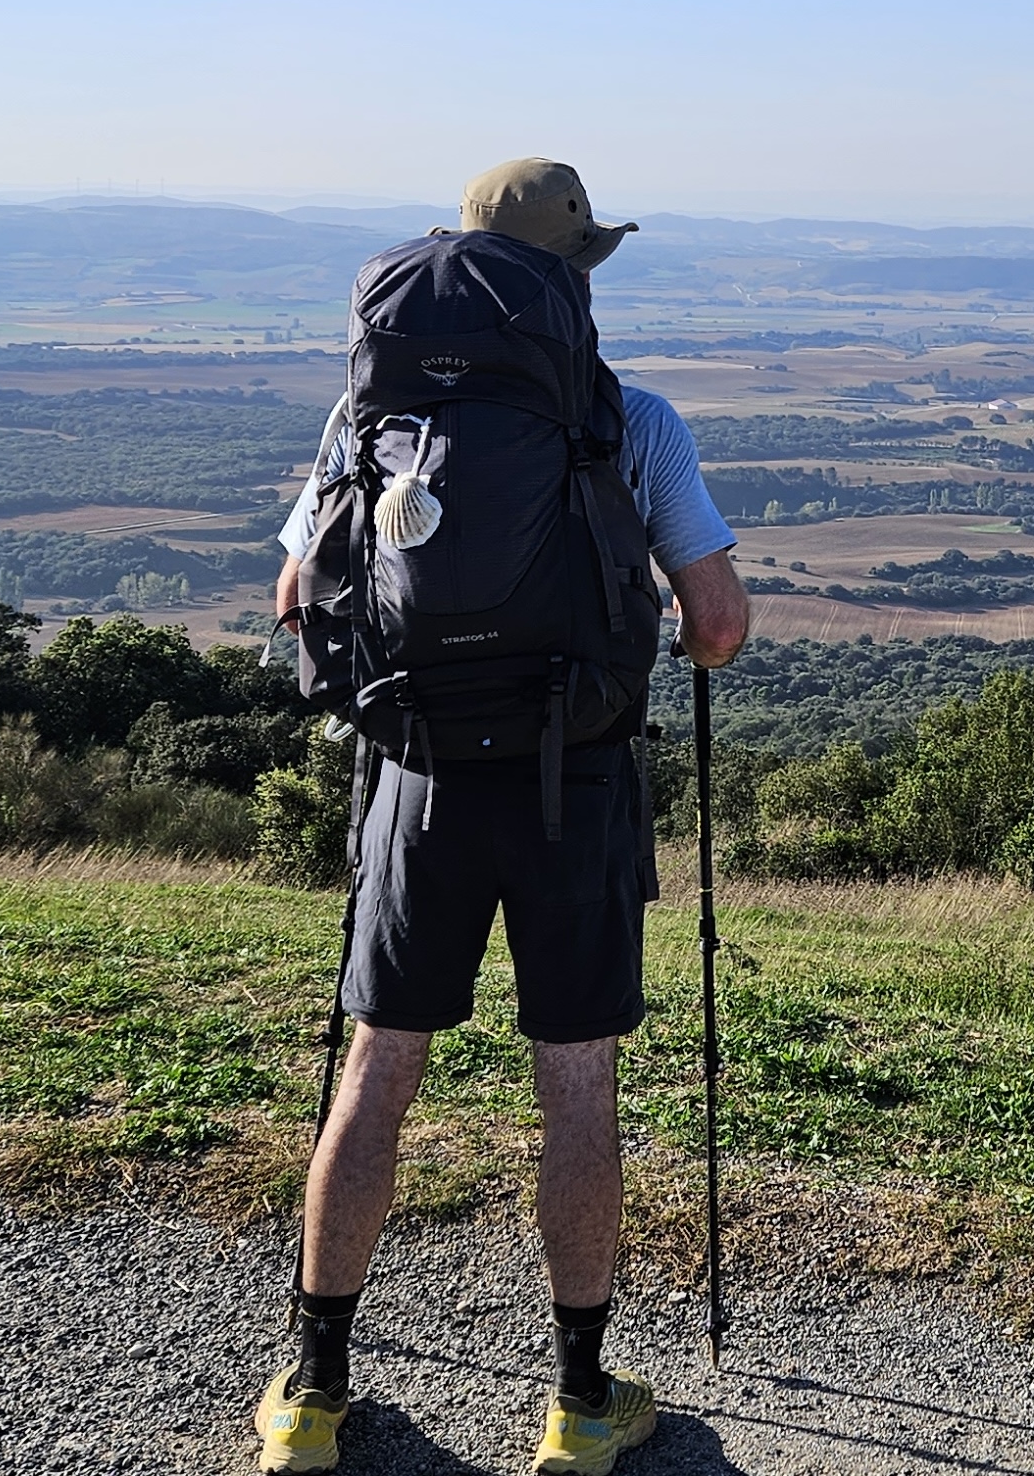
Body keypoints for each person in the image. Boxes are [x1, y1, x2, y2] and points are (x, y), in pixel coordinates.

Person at [253, 158, 749, 1476]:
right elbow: (717, 624)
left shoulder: (368, 416)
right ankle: (583, 1404)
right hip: (570, 777)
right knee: (576, 1081)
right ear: (574, 274)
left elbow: (301, 592)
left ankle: (311, 1391)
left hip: (417, 780)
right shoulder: (627, 417)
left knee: (378, 1071)